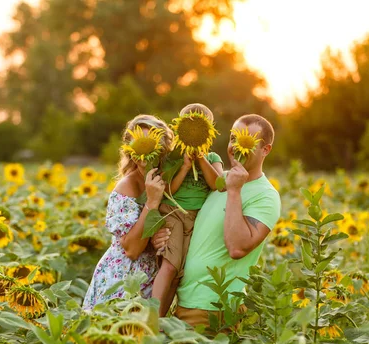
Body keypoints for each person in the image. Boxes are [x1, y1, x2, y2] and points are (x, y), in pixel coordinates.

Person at [152, 114, 281, 328]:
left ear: (265, 150)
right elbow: (189, 222)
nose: (236, 146)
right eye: (233, 139)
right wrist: (162, 235)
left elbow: (237, 248)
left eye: (247, 141)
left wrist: (234, 191)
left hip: (214, 309)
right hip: (186, 302)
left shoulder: (265, 195)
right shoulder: (218, 181)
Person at [82, 115, 171, 311]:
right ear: (131, 151)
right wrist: (152, 202)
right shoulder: (126, 187)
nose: (144, 154)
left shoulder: (171, 179)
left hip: (151, 282)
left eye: (151, 145)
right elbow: (131, 249)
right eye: (138, 146)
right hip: (121, 283)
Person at [151, 103, 224, 317]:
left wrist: (201, 158)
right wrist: (183, 167)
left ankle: (161, 318)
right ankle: (151, 316)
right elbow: (169, 191)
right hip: (173, 212)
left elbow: (218, 184)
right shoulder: (172, 157)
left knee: (179, 273)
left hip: (197, 220)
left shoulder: (212, 158)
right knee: (170, 266)